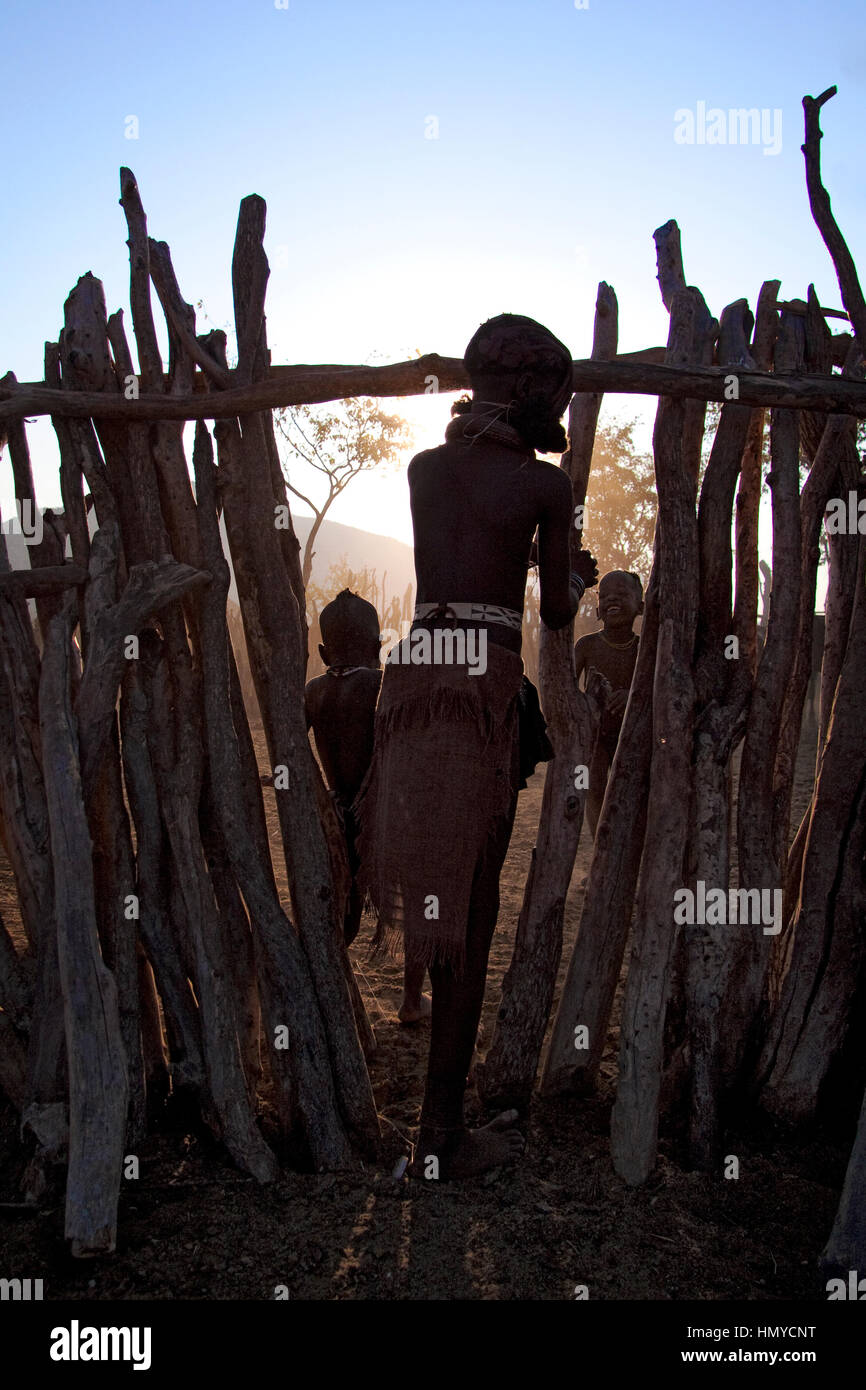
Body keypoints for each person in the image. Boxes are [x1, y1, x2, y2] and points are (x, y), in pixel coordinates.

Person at [355, 314, 598, 1179]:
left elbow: (459, 568)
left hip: (417, 676)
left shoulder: (425, 470)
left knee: (434, 892)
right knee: (474, 906)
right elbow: (561, 611)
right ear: (533, 389)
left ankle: (434, 1122)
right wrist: (568, 576)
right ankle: (442, 1136)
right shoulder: (543, 487)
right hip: (479, 688)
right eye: (556, 392)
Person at [305, 589, 430, 1023]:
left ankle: (328, 995)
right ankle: (412, 1002)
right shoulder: (382, 685)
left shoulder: (313, 692)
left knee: (343, 909)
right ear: (378, 648)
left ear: (322, 651)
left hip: (337, 815)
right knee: (416, 906)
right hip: (384, 817)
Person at [573, 570, 643, 836]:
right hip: (596, 734)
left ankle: (627, 854)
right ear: (597, 609)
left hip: (634, 732)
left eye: (622, 595)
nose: (612, 599)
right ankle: (599, 850)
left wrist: (631, 696)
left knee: (632, 791)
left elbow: (656, 688)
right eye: (605, 596)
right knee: (595, 789)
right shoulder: (587, 646)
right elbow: (566, 689)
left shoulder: (645, 648)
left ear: (641, 606)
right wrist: (588, 705)